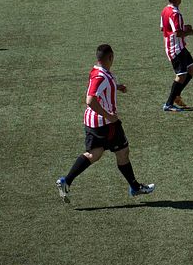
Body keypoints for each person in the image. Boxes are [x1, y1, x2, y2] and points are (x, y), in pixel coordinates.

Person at [55, 44, 155, 204]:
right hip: (106, 124)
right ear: (110, 57)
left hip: (92, 122)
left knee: (95, 154)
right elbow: (90, 100)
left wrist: (116, 87)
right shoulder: (101, 77)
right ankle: (135, 187)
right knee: (122, 152)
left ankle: (66, 181)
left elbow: (99, 90)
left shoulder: (97, 71)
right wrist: (109, 116)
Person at [161, 0, 193, 112]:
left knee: (192, 69)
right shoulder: (176, 14)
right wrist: (189, 31)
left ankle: (177, 94)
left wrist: (184, 27)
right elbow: (178, 33)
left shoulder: (165, 10)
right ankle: (169, 104)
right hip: (175, 48)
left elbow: (164, 28)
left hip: (178, 46)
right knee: (181, 74)